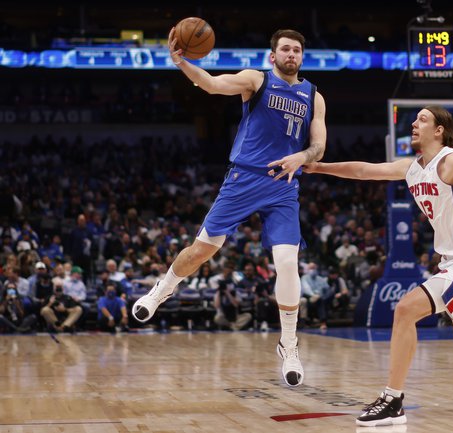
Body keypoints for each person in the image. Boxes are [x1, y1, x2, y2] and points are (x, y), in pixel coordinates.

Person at [305, 106, 453, 426]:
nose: (413, 123)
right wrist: (318, 167)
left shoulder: (451, 160)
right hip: (452, 261)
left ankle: (392, 399)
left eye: (422, 119)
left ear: (439, 131)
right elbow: (363, 171)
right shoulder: (412, 167)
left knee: (405, 310)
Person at [131, 29, 327, 387]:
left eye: (297, 50)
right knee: (202, 251)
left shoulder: (314, 96)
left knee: (287, 262)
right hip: (244, 178)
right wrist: (182, 63)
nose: (291, 54)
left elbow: (318, 147)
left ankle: (289, 344)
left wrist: (303, 155)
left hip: (283, 185)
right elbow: (211, 84)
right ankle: (162, 289)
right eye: (285, 49)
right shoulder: (257, 79)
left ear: (302, 57)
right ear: (273, 56)